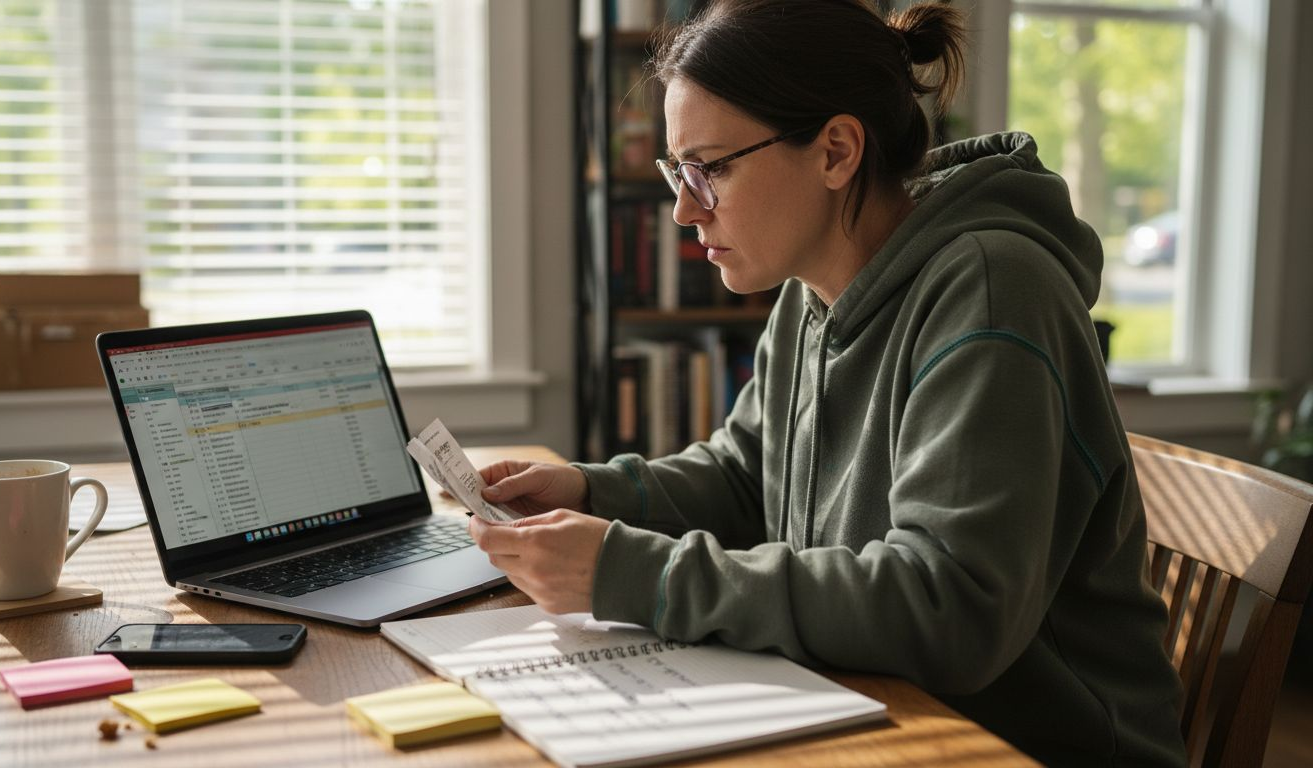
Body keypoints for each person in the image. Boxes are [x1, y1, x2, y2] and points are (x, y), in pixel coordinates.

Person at [468, 1, 1186, 764]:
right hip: (874, 710)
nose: (683, 208)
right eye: (678, 170)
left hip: (1019, 746)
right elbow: (749, 478)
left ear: (837, 151)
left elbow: (952, 608)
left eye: (709, 168)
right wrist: (588, 493)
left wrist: (629, 572)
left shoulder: (991, 293)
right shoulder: (814, 291)